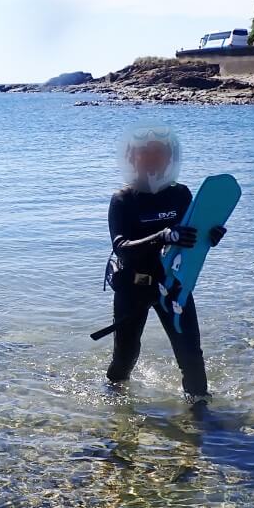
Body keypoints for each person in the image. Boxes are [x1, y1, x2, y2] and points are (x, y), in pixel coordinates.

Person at [105, 127, 225, 403]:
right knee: (125, 356)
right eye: (144, 154)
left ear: (170, 159)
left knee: (191, 354)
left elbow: (192, 239)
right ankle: (115, 410)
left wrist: (209, 236)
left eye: (159, 154)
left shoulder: (180, 195)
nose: (152, 159)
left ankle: (200, 415)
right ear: (132, 159)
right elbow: (121, 248)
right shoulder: (123, 199)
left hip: (173, 285)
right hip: (133, 286)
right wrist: (164, 236)